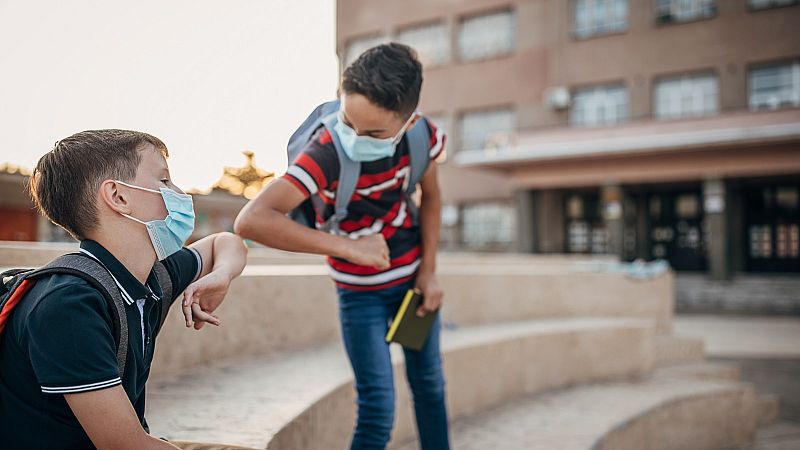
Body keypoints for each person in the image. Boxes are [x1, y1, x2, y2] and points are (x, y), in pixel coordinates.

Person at [235, 43, 450, 450]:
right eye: (348, 121)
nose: (354, 138)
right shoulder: (327, 151)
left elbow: (432, 197)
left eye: (373, 133)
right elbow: (253, 220)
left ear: (409, 119)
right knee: (377, 409)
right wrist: (348, 248)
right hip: (360, 296)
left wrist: (429, 272)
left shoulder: (424, 136)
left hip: (413, 285)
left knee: (431, 387)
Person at [0, 129, 250, 449]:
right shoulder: (68, 305)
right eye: (163, 181)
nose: (179, 193)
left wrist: (221, 276)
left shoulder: (146, 277)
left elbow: (225, 243)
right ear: (118, 197)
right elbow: (126, 446)